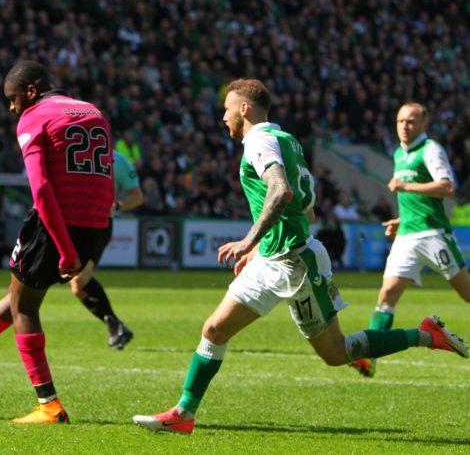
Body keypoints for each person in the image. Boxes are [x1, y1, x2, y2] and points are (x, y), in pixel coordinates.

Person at [132, 80, 468, 435]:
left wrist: (248, 241)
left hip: (296, 263)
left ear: (244, 108)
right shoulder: (286, 140)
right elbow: (306, 210)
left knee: (336, 352)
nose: (223, 117)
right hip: (274, 257)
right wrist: (260, 249)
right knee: (215, 329)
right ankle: (184, 413)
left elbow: (281, 191)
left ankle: (425, 334)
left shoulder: (259, 141)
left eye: (227, 109)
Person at [0, 60, 114, 424]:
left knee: (25, 308)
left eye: (13, 99)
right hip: (95, 223)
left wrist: (65, 250)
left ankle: (49, 405)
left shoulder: (35, 116)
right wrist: (91, 236)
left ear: (31, 91)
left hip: (56, 224)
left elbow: (41, 188)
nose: (12, 108)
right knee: (18, 296)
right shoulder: (94, 112)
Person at [350, 102, 470, 378]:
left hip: (433, 234)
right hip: (406, 236)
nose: (405, 126)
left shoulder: (430, 150)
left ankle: (432, 331)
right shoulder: (398, 154)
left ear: (424, 124)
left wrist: (406, 185)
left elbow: (447, 186)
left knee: (467, 293)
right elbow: (414, 199)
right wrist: (401, 220)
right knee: (387, 295)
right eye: (401, 121)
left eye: (411, 121)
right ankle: (369, 358)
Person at [69, 149, 144, 349]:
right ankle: (115, 324)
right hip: (72, 222)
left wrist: (116, 205)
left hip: (99, 223)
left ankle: (115, 325)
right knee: (77, 288)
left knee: (80, 279)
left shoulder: (117, 160)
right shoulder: (71, 151)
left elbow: (137, 196)